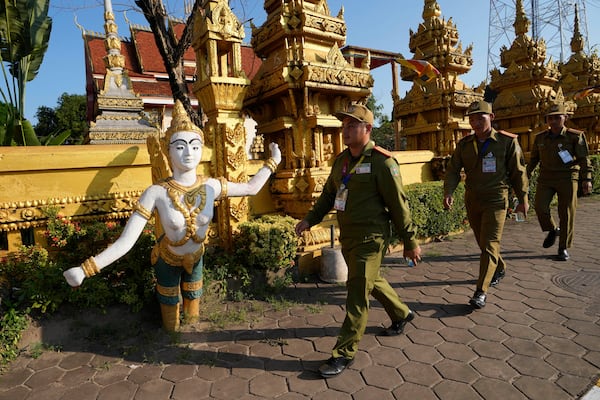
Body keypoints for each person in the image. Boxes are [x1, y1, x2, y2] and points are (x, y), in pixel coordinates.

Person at [63, 100, 281, 332]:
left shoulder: (211, 187)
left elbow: (250, 188)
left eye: (195, 146)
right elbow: (126, 242)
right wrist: (85, 270)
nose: (189, 152)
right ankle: (171, 339)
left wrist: (273, 161)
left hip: (196, 256)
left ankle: (191, 340)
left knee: (193, 311)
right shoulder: (156, 193)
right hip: (167, 258)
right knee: (171, 318)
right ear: (167, 150)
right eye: (179, 146)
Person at [295, 103, 422, 378]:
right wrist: (309, 220)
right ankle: (401, 314)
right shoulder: (341, 161)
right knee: (370, 280)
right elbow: (329, 195)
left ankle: (344, 353)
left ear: (368, 129)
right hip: (349, 237)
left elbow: (399, 206)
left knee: (356, 296)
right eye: (344, 125)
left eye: (352, 125)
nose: (346, 130)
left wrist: (410, 242)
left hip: (371, 239)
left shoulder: (382, 162)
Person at [443, 100, 529, 309]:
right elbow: (453, 170)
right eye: (471, 118)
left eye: (480, 118)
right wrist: (449, 191)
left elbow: (518, 172)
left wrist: (523, 199)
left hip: (496, 199)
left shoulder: (506, 142)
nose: (475, 122)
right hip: (473, 199)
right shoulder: (464, 145)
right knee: (483, 243)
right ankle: (499, 267)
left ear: (491, 117)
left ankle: (481, 291)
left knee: (489, 244)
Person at [526, 102, 593, 261]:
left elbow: (584, 159)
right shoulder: (540, 137)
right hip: (546, 178)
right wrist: (525, 176)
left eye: (557, 118)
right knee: (540, 207)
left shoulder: (574, 136)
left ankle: (563, 247)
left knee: (567, 213)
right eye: (550, 118)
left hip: (568, 177)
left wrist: (587, 179)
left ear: (566, 118)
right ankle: (552, 229)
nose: (553, 121)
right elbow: (534, 159)